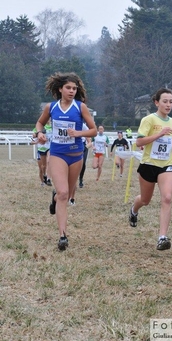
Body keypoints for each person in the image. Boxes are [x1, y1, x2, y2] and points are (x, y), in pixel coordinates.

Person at [35, 72, 97, 251]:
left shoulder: (80, 107)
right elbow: (40, 124)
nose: (71, 91)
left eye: (74, 88)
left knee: (68, 194)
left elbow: (93, 130)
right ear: (60, 89)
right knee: (63, 193)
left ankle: (55, 199)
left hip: (76, 155)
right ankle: (62, 236)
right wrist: (40, 133)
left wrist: (78, 133)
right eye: (68, 88)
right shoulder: (51, 107)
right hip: (57, 154)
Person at [128, 87, 172, 251]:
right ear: (156, 102)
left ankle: (162, 237)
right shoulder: (149, 120)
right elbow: (139, 142)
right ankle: (134, 210)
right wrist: (159, 134)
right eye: (165, 101)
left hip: (166, 164)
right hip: (148, 165)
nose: (168, 104)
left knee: (167, 198)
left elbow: (170, 141)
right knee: (145, 200)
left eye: (171, 101)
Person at [31, 120, 53, 186]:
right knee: (43, 167)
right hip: (41, 149)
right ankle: (44, 176)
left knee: (49, 162)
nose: (47, 120)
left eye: (48, 119)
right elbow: (33, 137)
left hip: (49, 147)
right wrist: (38, 134)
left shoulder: (52, 127)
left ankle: (48, 179)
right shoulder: (39, 128)